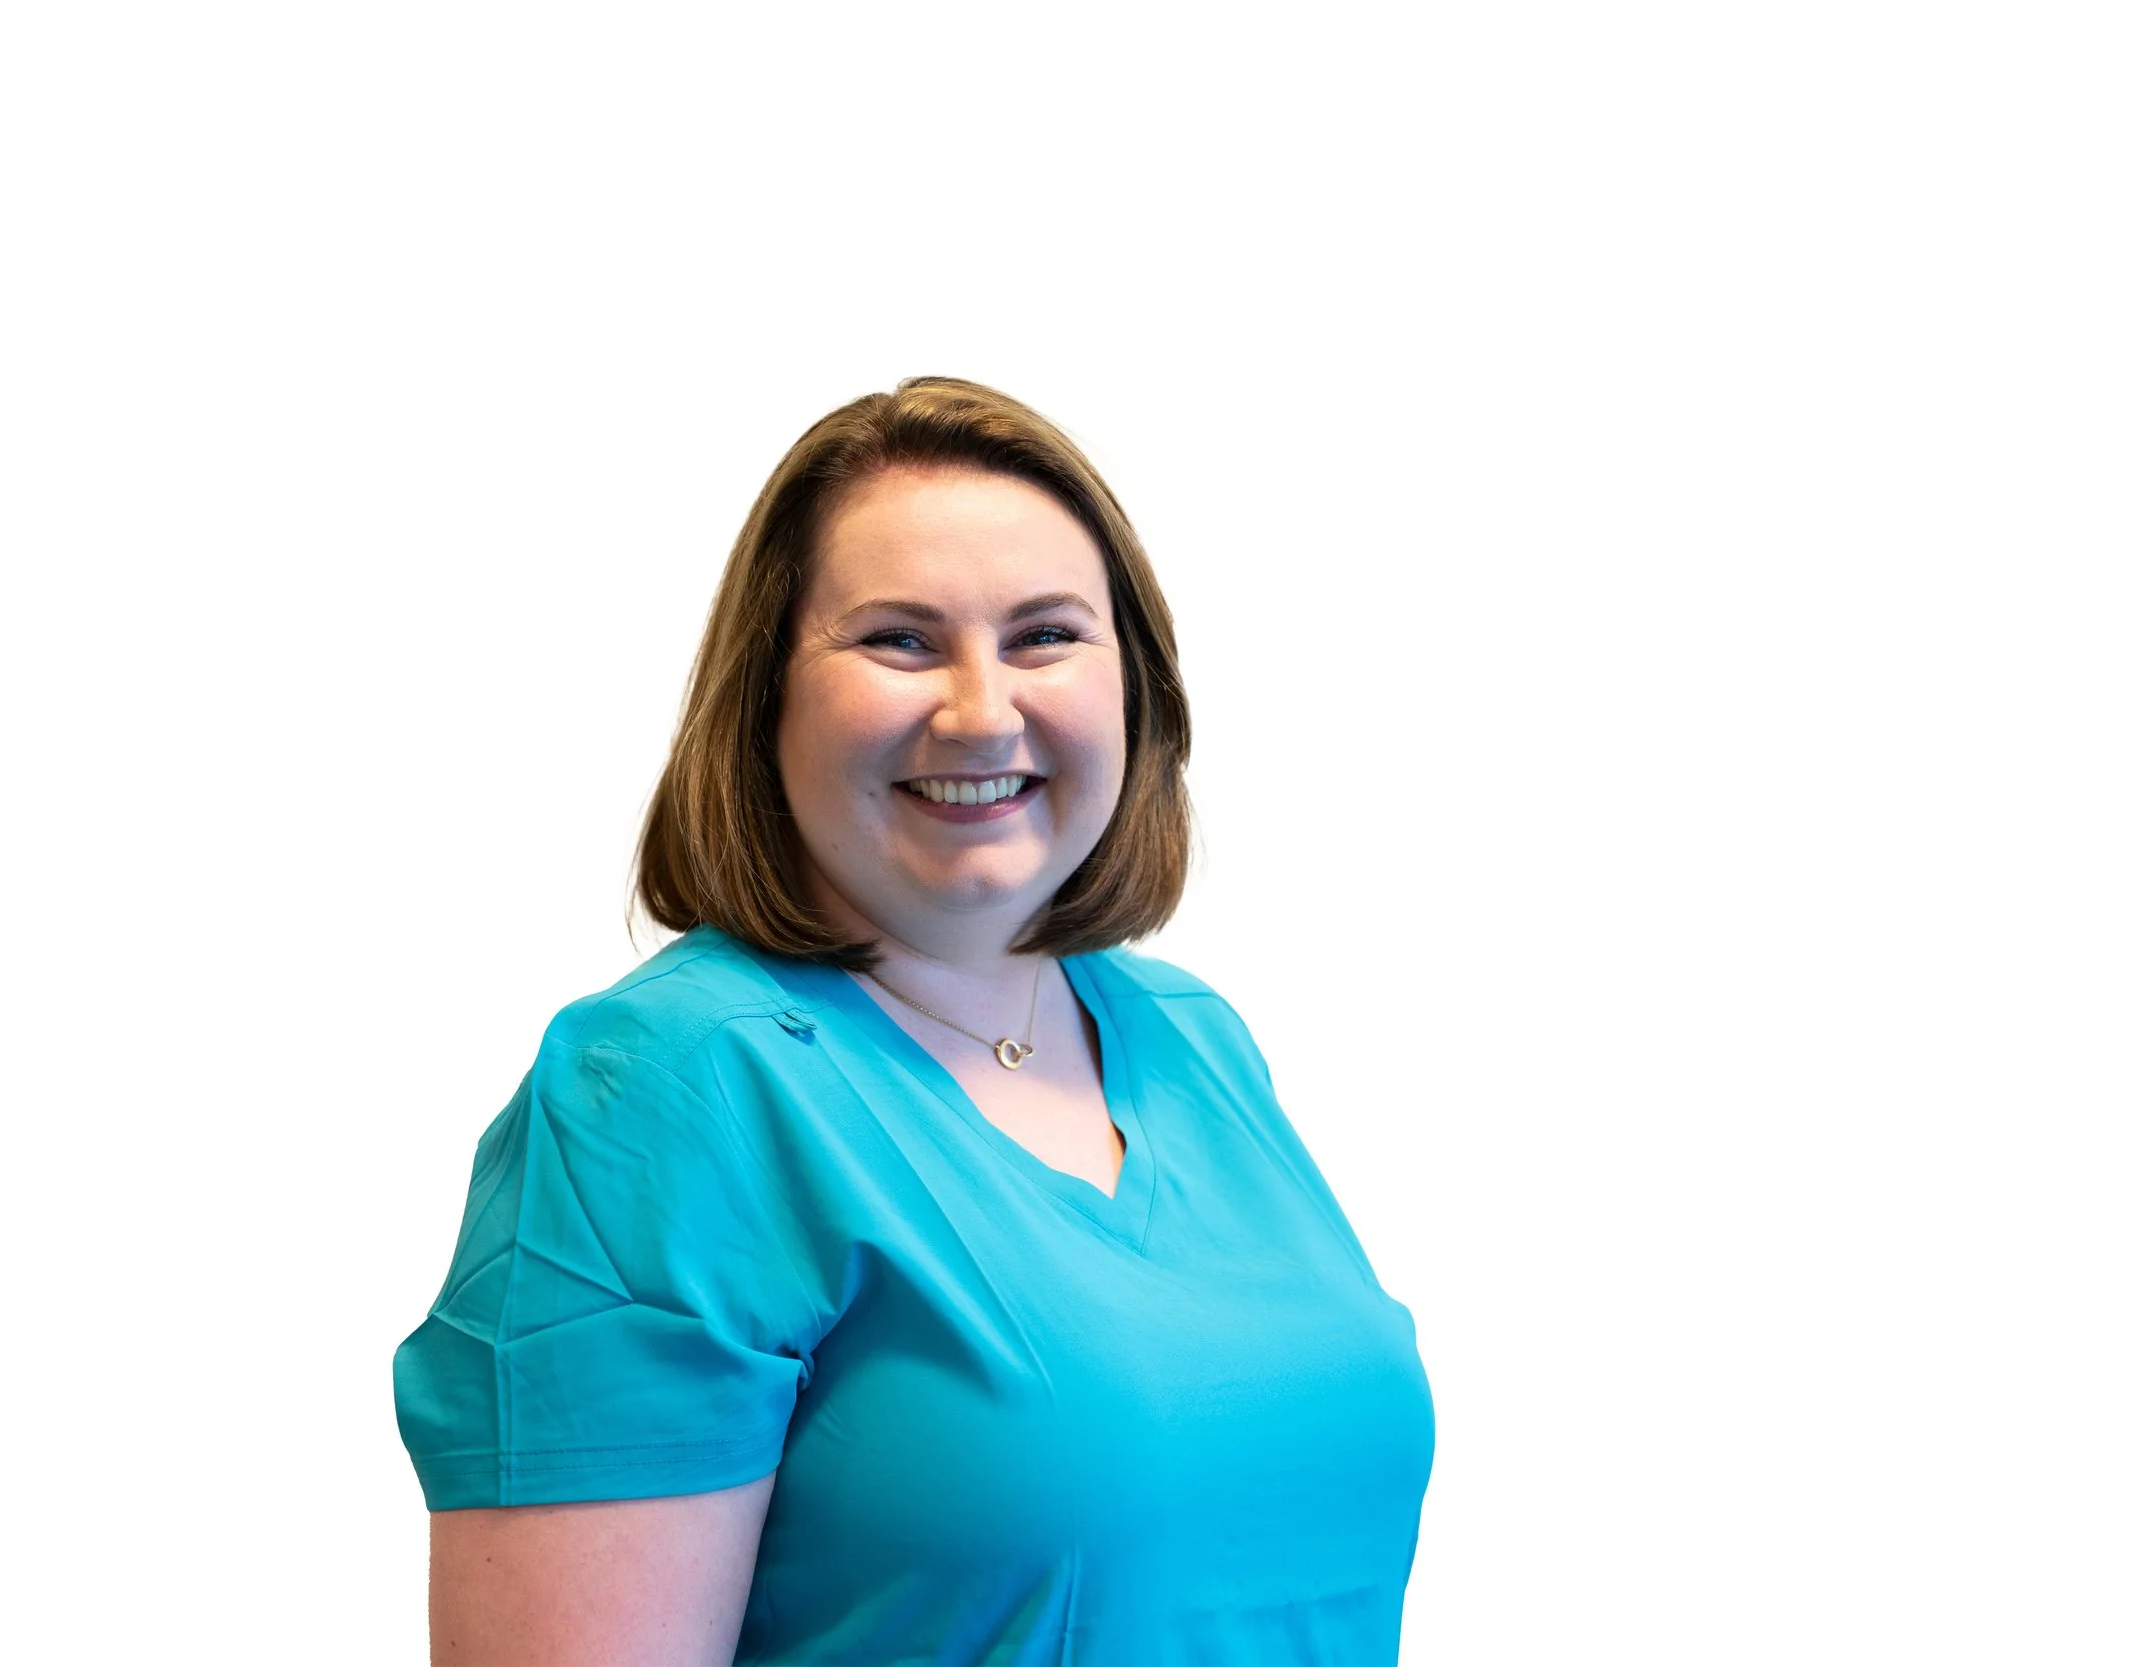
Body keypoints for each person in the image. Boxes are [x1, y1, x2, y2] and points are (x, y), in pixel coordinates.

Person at [392, 377, 1436, 1664]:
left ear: (1136, 684)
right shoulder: (665, 1094)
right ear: (767, 697)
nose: (982, 708)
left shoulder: (1190, 1042)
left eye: (1045, 635)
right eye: (898, 639)